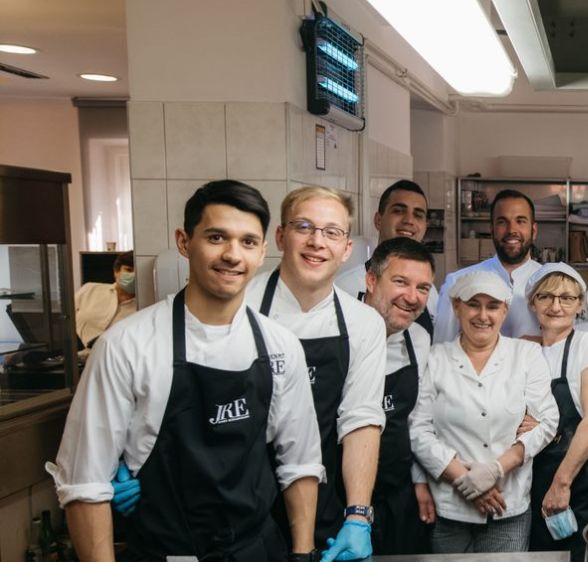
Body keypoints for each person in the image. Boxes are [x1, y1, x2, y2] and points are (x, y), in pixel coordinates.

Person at [50, 180, 324, 561]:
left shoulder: (281, 346)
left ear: (263, 251)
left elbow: (300, 464)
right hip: (168, 552)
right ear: (184, 242)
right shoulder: (126, 346)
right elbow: (85, 485)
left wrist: (303, 554)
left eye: (247, 242)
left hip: (257, 550)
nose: (232, 255)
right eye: (216, 237)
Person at [244, 186, 387, 560]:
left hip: (324, 505)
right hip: (239, 504)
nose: (317, 242)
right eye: (303, 227)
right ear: (280, 236)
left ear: (347, 249)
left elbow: (360, 422)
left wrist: (358, 516)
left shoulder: (363, 323)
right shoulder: (240, 306)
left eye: (332, 232)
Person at [412, 271, 559, 553]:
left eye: (492, 306)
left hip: (508, 505)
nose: (483, 315)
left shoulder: (526, 355)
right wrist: (464, 480)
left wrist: (496, 469)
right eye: (473, 304)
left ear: (505, 311)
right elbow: (418, 429)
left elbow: (547, 421)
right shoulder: (435, 357)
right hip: (450, 507)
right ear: (457, 307)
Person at [524, 264, 588, 561]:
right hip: (535, 480)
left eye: (566, 298)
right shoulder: (523, 350)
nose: (556, 306)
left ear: (580, 305)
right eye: (546, 297)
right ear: (532, 303)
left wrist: (561, 484)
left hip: (584, 483)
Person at [360, 237, 436, 554]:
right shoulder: (341, 331)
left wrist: (420, 480)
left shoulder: (419, 338)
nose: (412, 297)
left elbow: (417, 419)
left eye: (423, 287)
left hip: (399, 494)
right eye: (401, 282)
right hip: (340, 496)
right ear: (371, 280)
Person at [432, 189, 542, 343]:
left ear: (534, 230)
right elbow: (442, 347)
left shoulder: (549, 281)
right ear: (492, 230)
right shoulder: (457, 282)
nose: (512, 230)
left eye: (520, 221)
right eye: (502, 222)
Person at [335, 180, 434, 336]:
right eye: (398, 211)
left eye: (418, 215)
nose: (409, 220)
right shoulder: (345, 288)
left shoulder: (431, 292)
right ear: (378, 220)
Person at [73, 251, 138, 357]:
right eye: (129, 270)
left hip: (116, 359)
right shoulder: (89, 289)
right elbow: (66, 318)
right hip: (76, 358)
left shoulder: (145, 305)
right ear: (116, 272)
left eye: (138, 271)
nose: (133, 275)